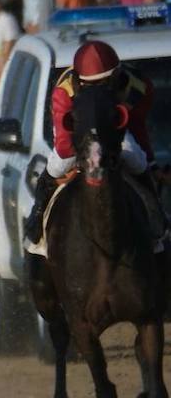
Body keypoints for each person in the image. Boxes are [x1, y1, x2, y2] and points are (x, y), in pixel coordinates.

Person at [24, 40, 154, 248]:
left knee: (138, 161)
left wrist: (150, 160)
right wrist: (83, 157)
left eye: (104, 84)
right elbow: (64, 144)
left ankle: (155, 213)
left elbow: (137, 127)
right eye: (91, 86)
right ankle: (38, 214)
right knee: (59, 164)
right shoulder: (64, 92)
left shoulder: (138, 86)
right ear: (79, 82)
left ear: (116, 76)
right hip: (77, 133)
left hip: (114, 133)